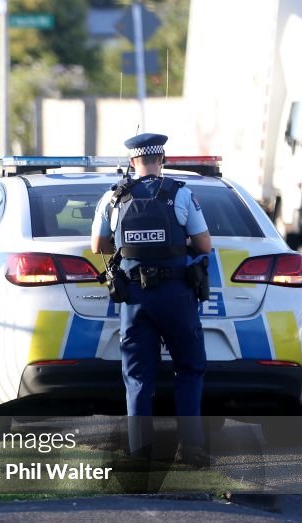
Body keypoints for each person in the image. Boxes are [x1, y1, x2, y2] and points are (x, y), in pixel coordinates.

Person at [91, 132, 212, 467]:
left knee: (138, 376)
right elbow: (204, 246)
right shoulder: (181, 194)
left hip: (134, 298)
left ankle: (140, 451)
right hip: (176, 297)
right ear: (162, 160)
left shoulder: (113, 198)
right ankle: (191, 448)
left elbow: (97, 245)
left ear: (133, 162)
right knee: (189, 368)